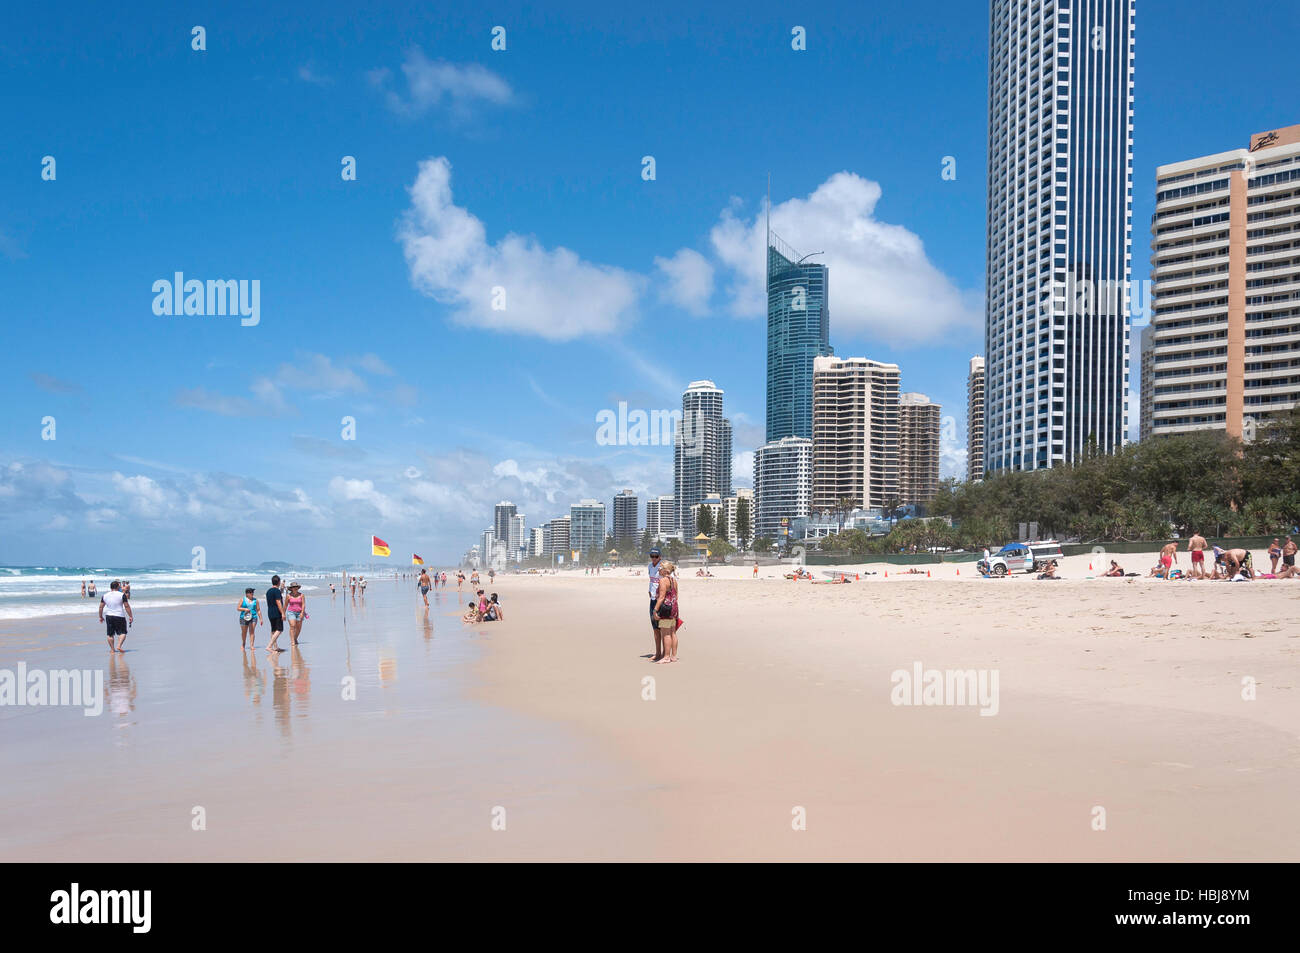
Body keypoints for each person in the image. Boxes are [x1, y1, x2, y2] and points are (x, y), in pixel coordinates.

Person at [651, 560, 682, 663]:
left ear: (665, 570)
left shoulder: (663, 580)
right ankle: (673, 656)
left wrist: (655, 610)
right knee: (673, 632)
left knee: (666, 633)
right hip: (674, 608)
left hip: (666, 609)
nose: (659, 570)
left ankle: (666, 657)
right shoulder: (674, 580)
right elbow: (676, 596)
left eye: (660, 568)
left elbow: (661, 597)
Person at [99, 579, 133, 653]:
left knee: (110, 634)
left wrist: (100, 616)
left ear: (111, 587)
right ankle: (119, 646)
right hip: (119, 615)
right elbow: (126, 606)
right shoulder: (122, 595)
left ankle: (112, 649)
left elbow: (101, 607)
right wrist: (130, 616)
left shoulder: (105, 595)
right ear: (118, 587)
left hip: (109, 616)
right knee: (123, 633)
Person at [646, 547, 663, 660]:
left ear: (660, 557)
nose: (654, 558)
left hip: (661, 600)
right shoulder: (649, 567)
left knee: (664, 628)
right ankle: (657, 653)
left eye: (656, 556)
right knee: (655, 628)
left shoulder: (662, 567)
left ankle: (666, 654)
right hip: (652, 599)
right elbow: (651, 581)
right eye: (652, 556)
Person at [265, 575, 286, 653]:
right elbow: (278, 602)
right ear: (279, 582)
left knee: (273, 630)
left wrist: (282, 588)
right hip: (277, 612)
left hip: (270, 612)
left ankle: (275, 647)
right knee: (279, 630)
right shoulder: (276, 591)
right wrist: (283, 613)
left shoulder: (269, 591)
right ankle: (269, 646)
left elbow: (278, 594)